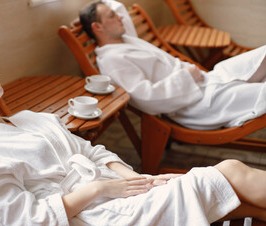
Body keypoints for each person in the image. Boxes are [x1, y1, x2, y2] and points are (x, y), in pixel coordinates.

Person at [0, 52, 266, 226]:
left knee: (231, 196)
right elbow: (28, 220)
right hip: (93, 222)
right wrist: (101, 191)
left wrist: (139, 180)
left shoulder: (30, 118)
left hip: (116, 194)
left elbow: (92, 152)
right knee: (229, 171)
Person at [79, 1, 266, 130]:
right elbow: (146, 98)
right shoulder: (113, 61)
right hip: (196, 103)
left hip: (209, 80)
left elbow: (115, 6)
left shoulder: (126, 39)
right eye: (112, 16)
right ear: (97, 27)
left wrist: (87, 17)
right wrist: (187, 77)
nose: (121, 17)